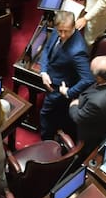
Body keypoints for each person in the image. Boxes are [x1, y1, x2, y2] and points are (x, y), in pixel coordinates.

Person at [38, 11, 95, 141]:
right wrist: (43, 71)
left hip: (59, 87)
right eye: (60, 31)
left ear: (74, 27)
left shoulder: (78, 50)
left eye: (67, 31)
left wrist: (69, 92)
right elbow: (47, 49)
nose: (63, 35)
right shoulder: (58, 29)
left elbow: (88, 79)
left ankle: (46, 141)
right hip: (51, 73)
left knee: (45, 113)